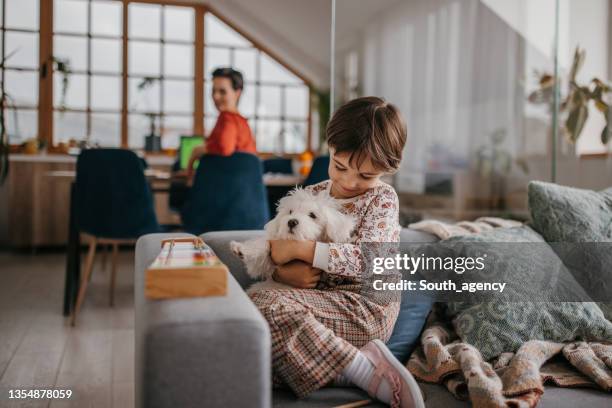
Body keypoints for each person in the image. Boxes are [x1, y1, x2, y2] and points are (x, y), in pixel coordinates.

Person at [249, 97, 425, 407]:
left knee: (264, 304)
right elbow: (277, 241)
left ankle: (365, 373)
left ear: (387, 170)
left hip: (367, 307)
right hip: (320, 304)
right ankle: (352, 367)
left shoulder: (382, 199)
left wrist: (304, 250)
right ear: (330, 148)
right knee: (256, 329)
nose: (348, 181)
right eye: (339, 166)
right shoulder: (314, 193)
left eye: (366, 175)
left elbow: (368, 261)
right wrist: (281, 271)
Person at [186, 67, 256, 181]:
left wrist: (198, 150)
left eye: (222, 92)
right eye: (213, 91)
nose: (216, 96)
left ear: (237, 93)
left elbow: (225, 147)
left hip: (225, 191)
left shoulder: (227, 118)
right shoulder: (242, 123)